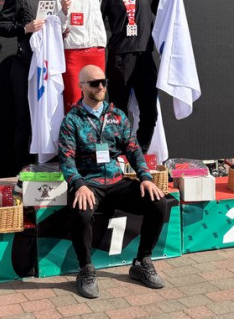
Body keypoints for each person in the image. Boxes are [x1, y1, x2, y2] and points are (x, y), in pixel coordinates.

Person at [58, 64, 168, 299]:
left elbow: (133, 149)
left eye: (104, 82)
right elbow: (66, 159)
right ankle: (85, 269)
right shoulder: (71, 120)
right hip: (89, 184)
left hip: (117, 181)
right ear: (81, 86)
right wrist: (79, 184)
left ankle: (141, 262)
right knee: (81, 212)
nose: (101, 87)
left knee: (158, 202)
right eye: (94, 83)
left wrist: (145, 177)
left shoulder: (117, 116)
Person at [99, 0, 181, 152]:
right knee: (118, 113)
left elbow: (164, 9)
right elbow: (96, 25)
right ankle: (119, 155)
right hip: (119, 60)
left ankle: (140, 153)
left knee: (150, 112)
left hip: (145, 56)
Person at [0, 0, 57, 170]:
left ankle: (45, 165)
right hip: (24, 66)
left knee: (46, 118)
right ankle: (24, 169)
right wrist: (25, 28)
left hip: (44, 68)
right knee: (26, 119)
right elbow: (0, 27)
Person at [52, 0, 106, 110]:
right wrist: (63, 12)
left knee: (97, 102)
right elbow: (55, 30)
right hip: (73, 55)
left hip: (98, 54)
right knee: (74, 102)